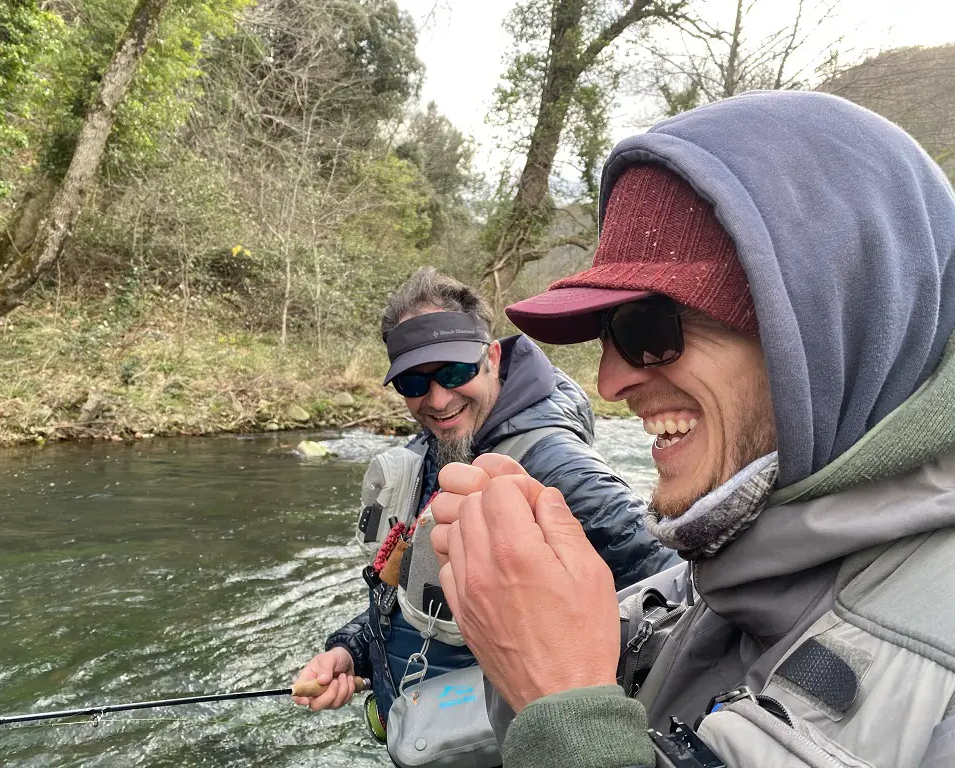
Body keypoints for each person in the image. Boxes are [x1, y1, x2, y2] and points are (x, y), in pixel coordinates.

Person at [429, 90, 955, 768]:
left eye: (647, 329)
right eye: (607, 335)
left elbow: (573, 718)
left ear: (827, 335)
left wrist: (566, 709)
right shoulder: (719, 561)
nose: (608, 383)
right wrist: (525, 634)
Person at [292, 267, 676, 739]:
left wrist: (590, 731)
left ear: (492, 357)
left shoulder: (558, 469)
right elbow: (410, 592)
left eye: (454, 372)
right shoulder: (437, 447)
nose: (437, 399)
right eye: (414, 383)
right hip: (429, 731)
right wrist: (350, 651)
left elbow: (676, 602)